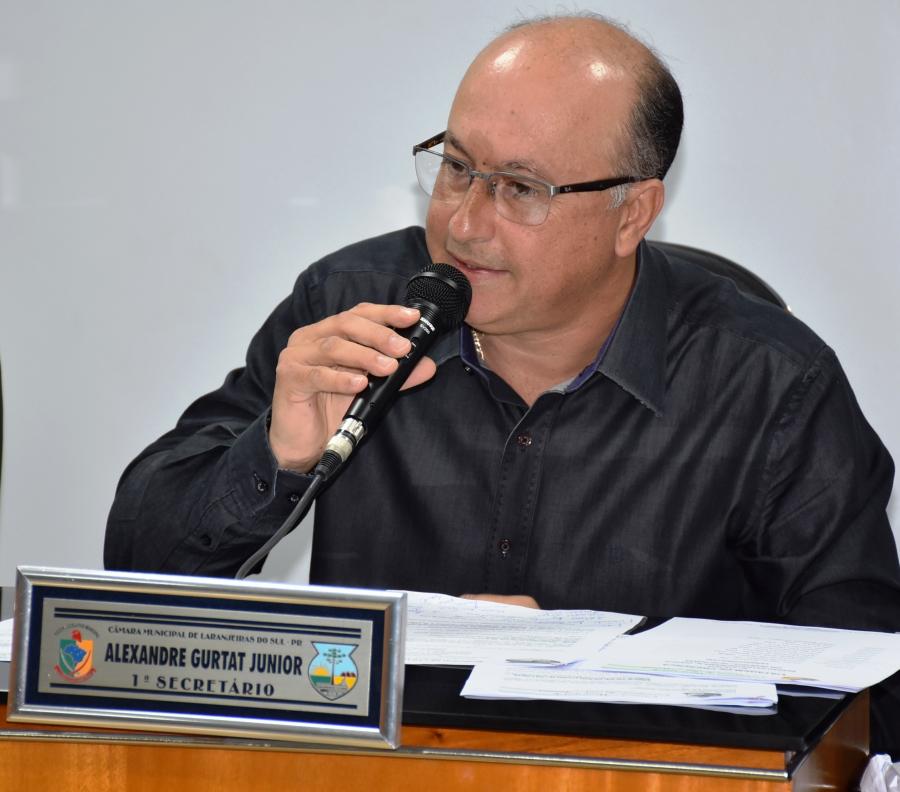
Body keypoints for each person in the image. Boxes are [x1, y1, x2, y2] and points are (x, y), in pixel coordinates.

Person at [104, 14, 900, 752]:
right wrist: (274, 456)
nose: (463, 223)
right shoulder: (350, 309)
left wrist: (587, 663)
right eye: (457, 168)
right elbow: (132, 578)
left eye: (521, 188)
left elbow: (870, 689)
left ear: (633, 214)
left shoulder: (769, 385)